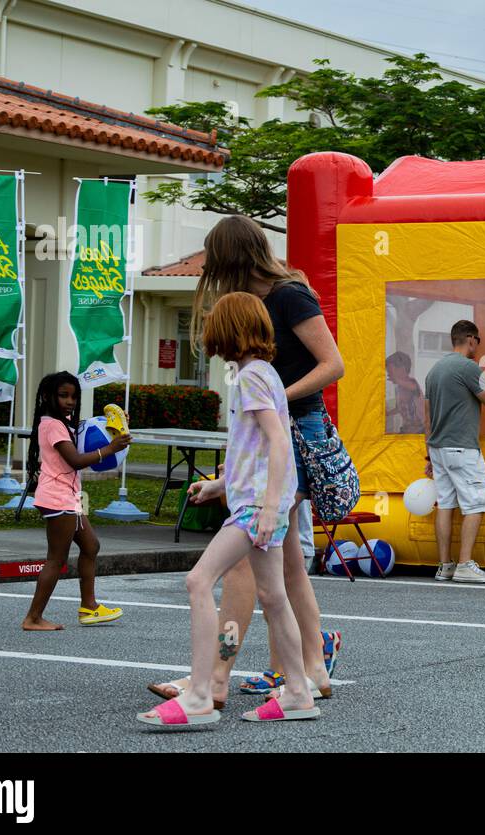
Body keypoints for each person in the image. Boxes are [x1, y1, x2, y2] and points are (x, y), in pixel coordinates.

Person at [149, 215, 344, 706]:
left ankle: (215, 678)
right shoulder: (254, 305)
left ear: (232, 258)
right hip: (275, 437)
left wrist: (271, 400)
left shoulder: (288, 295)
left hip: (298, 431)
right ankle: (311, 668)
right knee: (286, 564)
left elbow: (333, 364)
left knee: (244, 564)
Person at [139, 292, 317, 726]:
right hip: (258, 502)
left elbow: (278, 442)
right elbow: (256, 447)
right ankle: (298, 692)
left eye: (213, 323)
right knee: (274, 598)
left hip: (256, 507)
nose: (207, 332)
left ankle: (200, 695)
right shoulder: (264, 374)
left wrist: (270, 506)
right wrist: (221, 484)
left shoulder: (252, 377)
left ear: (229, 330)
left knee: (198, 580)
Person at [21, 372, 131, 630]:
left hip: (69, 498)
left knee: (91, 546)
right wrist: (110, 449)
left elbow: (86, 432)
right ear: (48, 397)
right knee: (56, 559)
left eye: (74, 396)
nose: (70, 401)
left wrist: (115, 424)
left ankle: (89, 607)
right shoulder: (52, 425)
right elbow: (76, 460)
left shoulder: (65, 422)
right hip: (57, 499)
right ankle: (33, 618)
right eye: (63, 396)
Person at [424, 320, 485, 584]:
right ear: (471, 339)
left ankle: (444, 565)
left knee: (445, 505)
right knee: (475, 503)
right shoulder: (470, 368)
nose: (477, 347)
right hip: (462, 447)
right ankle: (465, 565)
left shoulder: (433, 372)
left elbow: (427, 417)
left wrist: (428, 454)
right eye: (477, 342)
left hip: (438, 448)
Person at [386, 351, 426, 434]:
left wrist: (397, 380)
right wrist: (388, 413)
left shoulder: (412, 383)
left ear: (402, 369)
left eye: (391, 371)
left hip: (421, 429)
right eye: (388, 371)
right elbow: (399, 408)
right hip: (407, 428)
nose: (388, 374)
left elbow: (413, 388)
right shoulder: (398, 389)